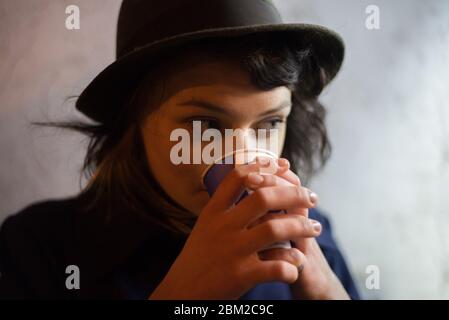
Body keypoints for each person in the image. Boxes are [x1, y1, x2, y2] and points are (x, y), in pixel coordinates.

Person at [0, 0, 360, 299]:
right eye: (205, 126)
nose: (242, 161)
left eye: (269, 124)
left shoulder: (312, 236)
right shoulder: (37, 251)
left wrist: (329, 293)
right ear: (133, 120)